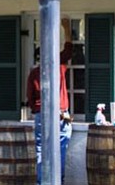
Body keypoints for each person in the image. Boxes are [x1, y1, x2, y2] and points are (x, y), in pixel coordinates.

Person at [26, 18, 74, 185]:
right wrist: (66, 27)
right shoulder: (58, 66)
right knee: (60, 149)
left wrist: (37, 109)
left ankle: (41, 182)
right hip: (60, 113)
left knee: (41, 150)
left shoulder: (34, 73)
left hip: (41, 114)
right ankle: (57, 181)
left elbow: (30, 99)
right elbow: (69, 49)